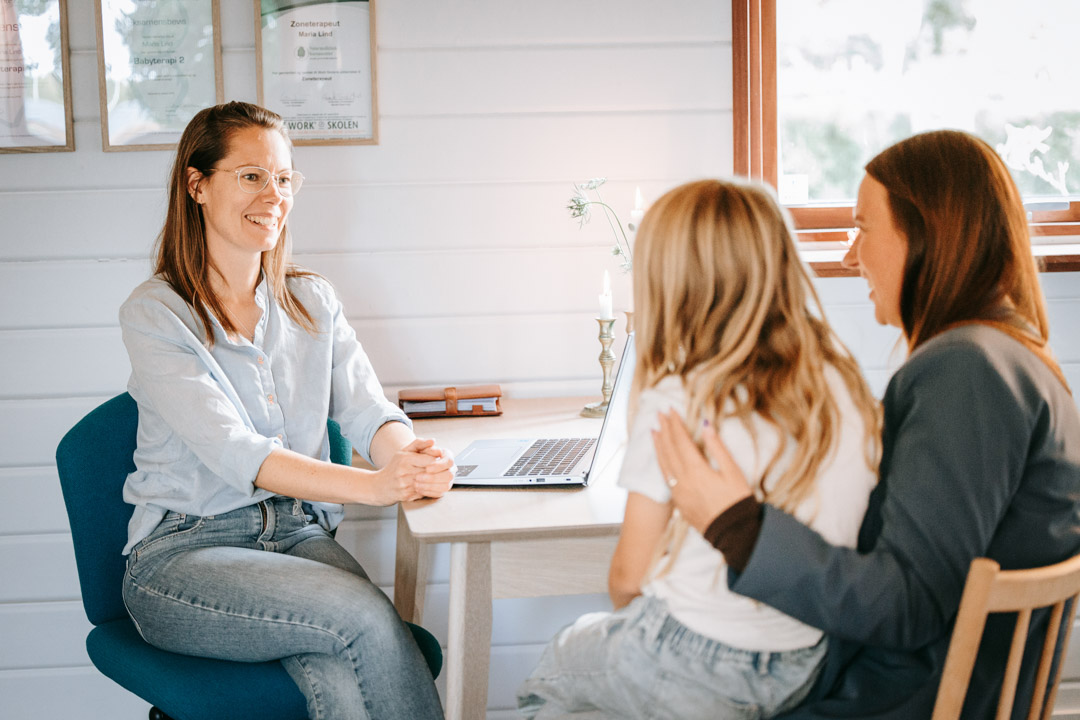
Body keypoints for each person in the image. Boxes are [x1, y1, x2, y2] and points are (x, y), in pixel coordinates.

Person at [651, 130, 1080, 719]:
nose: (851, 256)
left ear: (927, 233)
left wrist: (737, 526)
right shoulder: (1007, 356)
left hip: (892, 703)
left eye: (863, 227)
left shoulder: (967, 371)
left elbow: (908, 603)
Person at [119, 101, 453, 720]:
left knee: (348, 663)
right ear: (197, 184)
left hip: (297, 534)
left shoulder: (311, 300)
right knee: (363, 618)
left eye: (283, 178)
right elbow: (239, 454)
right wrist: (378, 488)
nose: (273, 194)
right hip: (183, 555)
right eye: (250, 176)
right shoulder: (155, 312)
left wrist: (412, 459)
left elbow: (368, 410)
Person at [517, 179, 882, 719]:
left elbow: (627, 580)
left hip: (690, 652)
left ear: (671, 283)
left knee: (557, 669)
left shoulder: (679, 396)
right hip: (803, 656)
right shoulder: (842, 384)